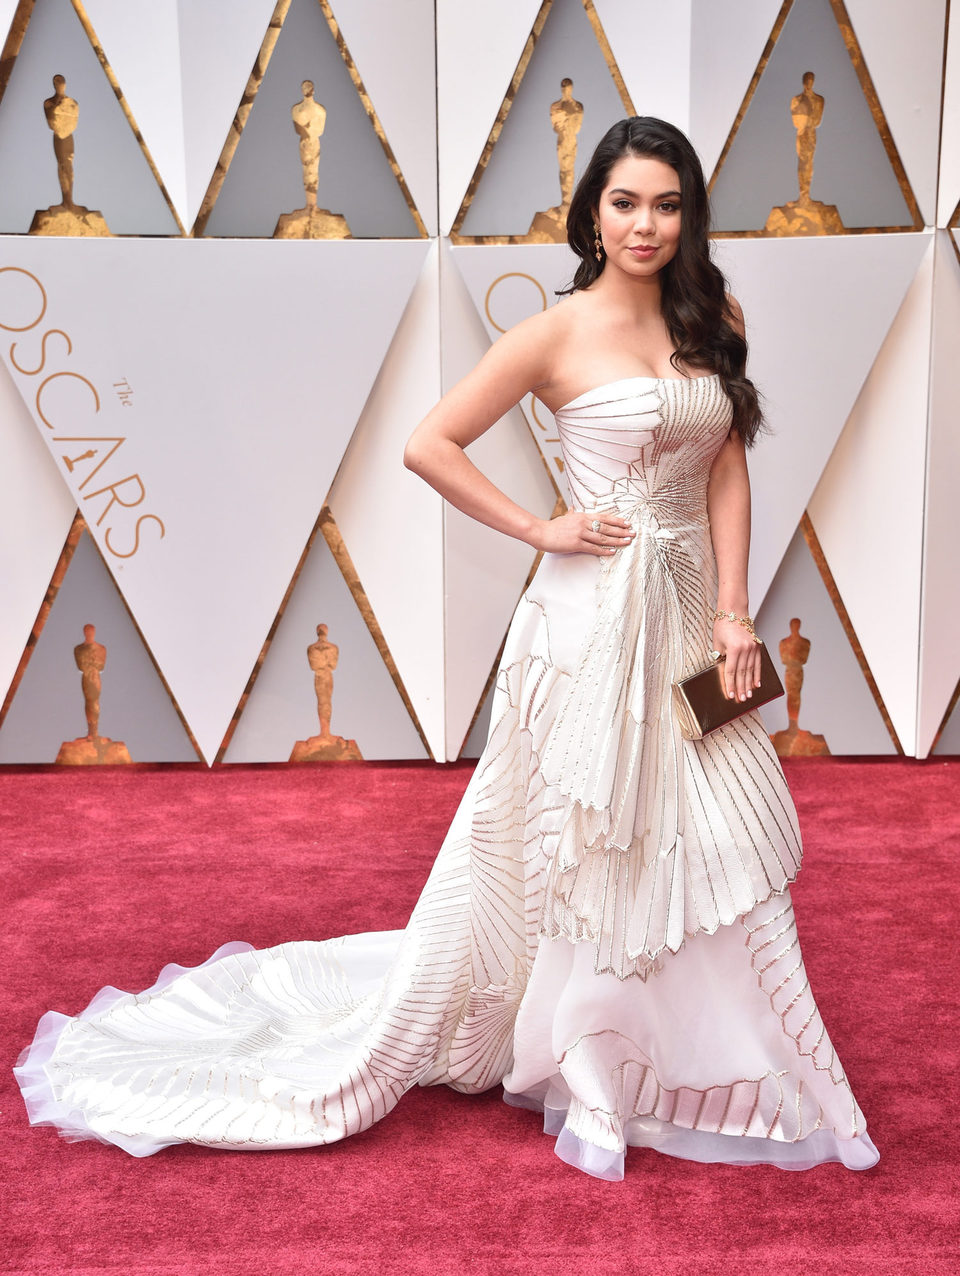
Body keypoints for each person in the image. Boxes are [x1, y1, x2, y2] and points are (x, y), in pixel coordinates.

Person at [14, 118, 878, 1180]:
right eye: (624, 203)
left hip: (693, 618)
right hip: (583, 627)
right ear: (592, 214)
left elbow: (727, 468)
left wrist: (738, 610)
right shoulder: (552, 334)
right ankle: (589, 1060)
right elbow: (430, 443)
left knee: (711, 832)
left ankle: (716, 1051)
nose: (645, 224)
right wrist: (539, 527)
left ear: (689, 214)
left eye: (666, 203)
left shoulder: (714, 315)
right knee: (588, 840)